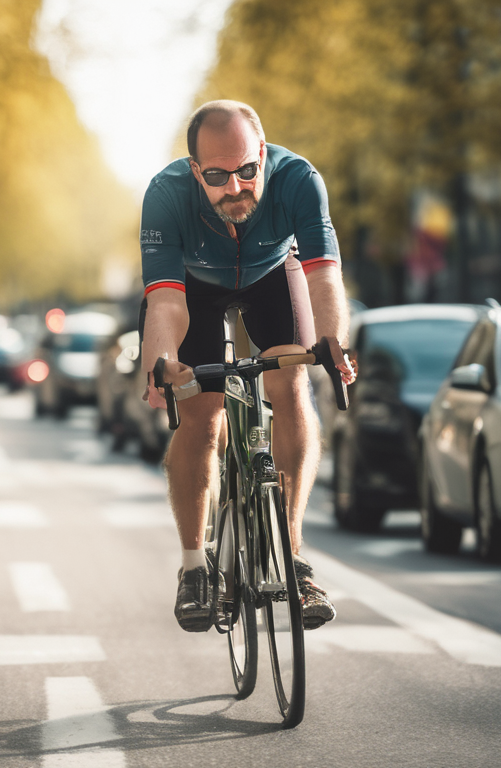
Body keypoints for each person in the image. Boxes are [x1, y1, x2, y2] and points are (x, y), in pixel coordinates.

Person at [140, 100, 355, 633]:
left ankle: (292, 555)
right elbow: (165, 301)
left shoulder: (299, 180)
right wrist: (161, 362)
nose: (235, 187)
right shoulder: (166, 194)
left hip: (272, 275)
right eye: (216, 176)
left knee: (292, 383)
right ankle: (195, 567)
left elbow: (323, 274)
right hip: (194, 287)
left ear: (263, 153)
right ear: (196, 171)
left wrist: (334, 342)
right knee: (201, 412)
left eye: (247, 170)